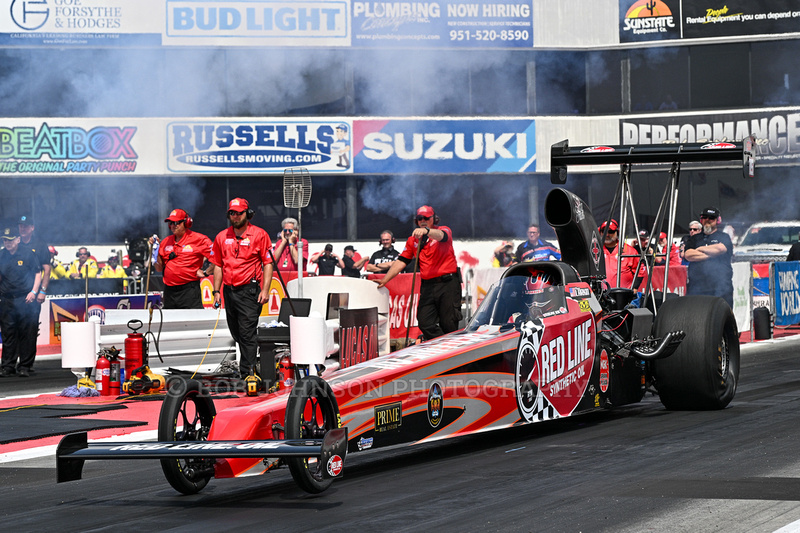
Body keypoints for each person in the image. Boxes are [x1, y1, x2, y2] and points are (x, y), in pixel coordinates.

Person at [376, 205, 461, 340]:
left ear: (434, 219)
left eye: (427, 218)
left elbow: (442, 236)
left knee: (449, 323)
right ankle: (444, 345)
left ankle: (452, 349)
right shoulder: (413, 240)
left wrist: (427, 231)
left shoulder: (443, 230)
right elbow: (402, 261)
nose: (423, 220)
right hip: (428, 285)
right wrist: (385, 279)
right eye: (420, 218)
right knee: (425, 322)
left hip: (447, 283)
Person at [210, 198, 273, 377]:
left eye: (239, 213)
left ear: (248, 213)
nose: (235, 216)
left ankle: (248, 374)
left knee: (247, 333)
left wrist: (265, 290)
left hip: (249, 291)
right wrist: (216, 292)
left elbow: (268, 263)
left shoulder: (260, 234)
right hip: (229, 291)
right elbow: (218, 265)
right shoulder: (222, 236)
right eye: (232, 213)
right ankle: (251, 366)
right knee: (236, 333)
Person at [0, 227, 43, 377]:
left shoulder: (28, 254)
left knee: (27, 333)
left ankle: (25, 366)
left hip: (25, 299)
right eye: (5, 240)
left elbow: (38, 273)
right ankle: (7, 366)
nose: (8, 243)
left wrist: (34, 292)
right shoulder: (1, 255)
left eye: (10, 240)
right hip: (7, 300)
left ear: (18, 239)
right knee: (8, 334)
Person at [152, 208, 213, 309]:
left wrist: (206, 272)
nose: (173, 226)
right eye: (171, 223)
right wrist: (155, 251)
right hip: (169, 292)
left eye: (176, 222)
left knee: (192, 322)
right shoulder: (165, 242)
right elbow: (159, 268)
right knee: (170, 323)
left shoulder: (199, 239)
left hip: (189, 292)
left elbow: (218, 258)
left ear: (187, 223)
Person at [683, 207, 734, 308]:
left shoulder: (724, 237)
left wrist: (699, 249)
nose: (708, 220)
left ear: (717, 221)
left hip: (721, 287)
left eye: (711, 218)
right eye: (705, 217)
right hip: (697, 287)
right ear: (701, 220)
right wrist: (711, 254)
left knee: (721, 319)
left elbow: (720, 249)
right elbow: (688, 255)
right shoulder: (694, 238)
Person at [17, 215, 51, 304]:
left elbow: (47, 269)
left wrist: (43, 291)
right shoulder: (15, 243)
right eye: (21, 226)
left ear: (32, 228)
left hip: (33, 293)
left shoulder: (40, 245)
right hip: (15, 292)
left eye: (25, 226)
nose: (23, 229)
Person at [599, 219, 637, 288]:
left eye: (610, 231)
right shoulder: (595, 250)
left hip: (624, 294)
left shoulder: (630, 251)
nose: (607, 234)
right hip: (601, 294)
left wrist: (635, 288)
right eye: (603, 231)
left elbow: (639, 272)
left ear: (617, 232)